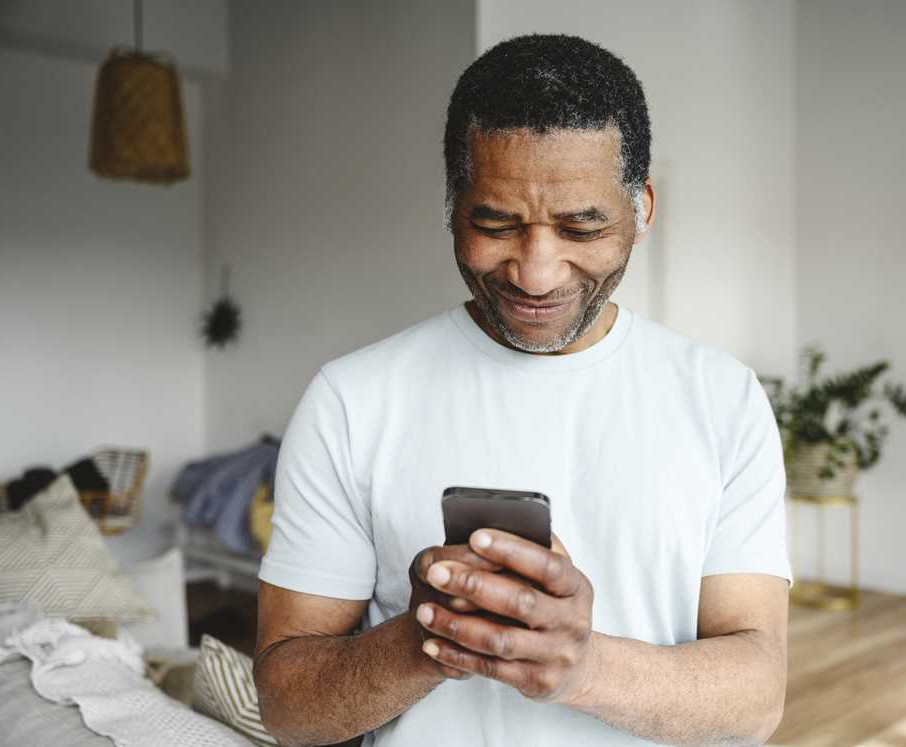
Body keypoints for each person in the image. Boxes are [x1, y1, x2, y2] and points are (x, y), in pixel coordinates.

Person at [254, 33, 792, 747]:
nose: (536, 274)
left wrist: (582, 667)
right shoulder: (351, 400)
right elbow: (288, 710)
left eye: (581, 227)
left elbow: (757, 697)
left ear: (642, 209)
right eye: (496, 224)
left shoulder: (723, 398)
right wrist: (431, 638)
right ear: (452, 206)